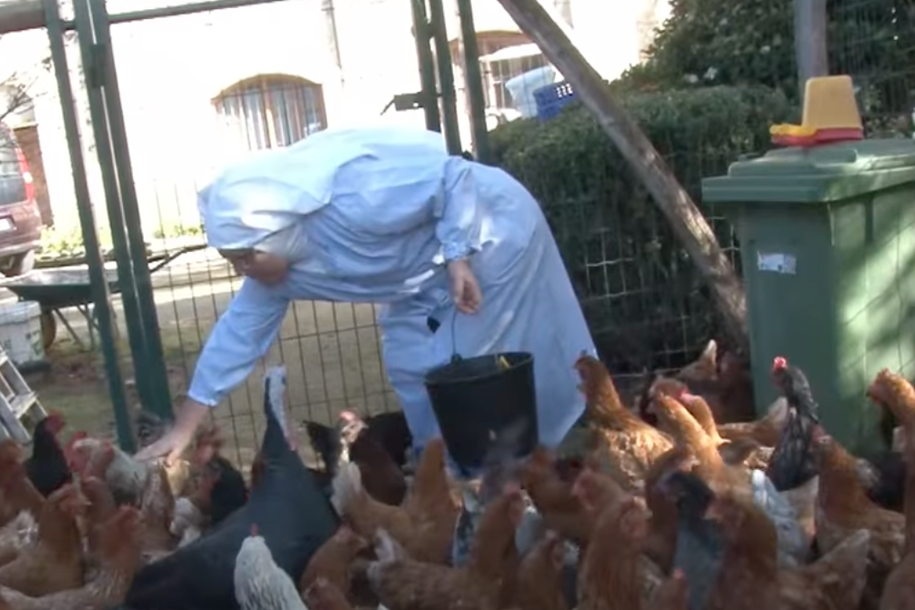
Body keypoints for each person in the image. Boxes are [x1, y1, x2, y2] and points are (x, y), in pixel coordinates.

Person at [135, 125, 596, 467]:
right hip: (424, 271)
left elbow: (454, 181)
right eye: (233, 261)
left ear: (273, 233)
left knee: (468, 369)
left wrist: (458, 257)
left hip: (488, 232)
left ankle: (498, 475)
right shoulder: (275, 272)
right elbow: (235, 339)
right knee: (410, 359)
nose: (243, 271)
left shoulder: (355, 197)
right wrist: (184, 429)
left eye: (246, 257)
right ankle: (437, 464)